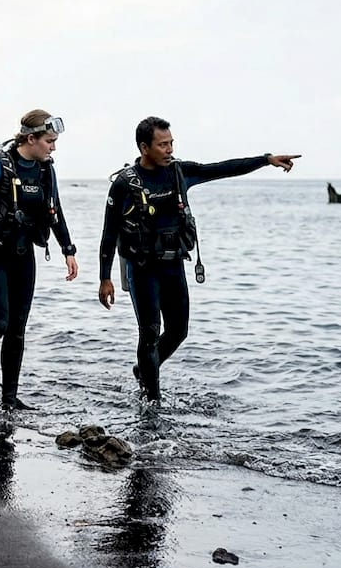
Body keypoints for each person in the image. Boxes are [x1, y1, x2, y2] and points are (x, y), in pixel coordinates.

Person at [98, 116, 299, 405]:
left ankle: (144, 370)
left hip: (172, 264)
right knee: (150, 333)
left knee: (179, 330)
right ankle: (152, 401)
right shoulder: (125, 184)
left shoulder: (180, 173)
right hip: (142, 268)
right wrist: (105, 278)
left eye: (171, 143)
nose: (169, 149)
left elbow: (222, 169)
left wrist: (266, 159)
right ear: (144, 147)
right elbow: (108, 232)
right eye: (162, 144)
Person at [0, 110, 79, 410]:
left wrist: (68, 249)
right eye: (49, 141)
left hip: (23, 254)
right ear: (31, 138)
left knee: (17, 328)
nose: (53, 147)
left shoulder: (46, 170)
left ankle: (9, 398)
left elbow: (55, 211)